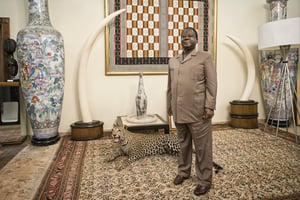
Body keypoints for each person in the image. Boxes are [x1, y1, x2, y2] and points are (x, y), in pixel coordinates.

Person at [167, 27, 217, 196]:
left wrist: (209, 106)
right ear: (180, 40)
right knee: (183, 144)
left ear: (196, 40)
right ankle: (183, 172)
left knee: (202, 147)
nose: (186, 38)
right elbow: (170, 86)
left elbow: (212, 84)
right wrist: (169, 106)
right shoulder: (173, 60)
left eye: (190, 36)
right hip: (178, 111)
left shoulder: (205, 57)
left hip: (198, 112)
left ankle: (204, 180)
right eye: (183, 36)